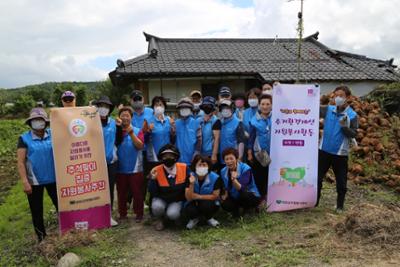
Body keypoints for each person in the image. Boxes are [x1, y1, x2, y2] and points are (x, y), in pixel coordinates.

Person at [17, 108, 58, 242]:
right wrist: (25, 181)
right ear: (30, 123)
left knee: (60, 205)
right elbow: (21, 162)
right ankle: (41, 237)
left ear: (45, 122)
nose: (38, 122)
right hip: (34, 181)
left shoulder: (53, 134)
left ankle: (67, 229)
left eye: (41, 120)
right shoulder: (24, 138)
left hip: (54, 178)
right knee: (36, 210)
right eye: (35, 120)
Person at [317, 85, 358, 212]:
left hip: (340, 154)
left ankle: (340, 205)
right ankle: (315, 201)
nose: (338, 98)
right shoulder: (328, 109)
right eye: (336, 95)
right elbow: (312, 108)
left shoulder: (352, 115)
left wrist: (345, 127)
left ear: (348, 97)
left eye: (341, 95)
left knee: (341, 182)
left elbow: (354, 134)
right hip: (324, 150)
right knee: (317, 178)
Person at [142, 96, 174, 214]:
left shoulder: (169, 120)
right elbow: (143, 140)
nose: (158, 107)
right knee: (154, 183)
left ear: (165, 107)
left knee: (168, 183)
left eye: (161, 104)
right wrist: (147, 131)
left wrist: (173, 129)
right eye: (156, 104)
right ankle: (153, 210)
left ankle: (168, 208)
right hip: (153, 158)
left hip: (167, 158)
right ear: (153, 107)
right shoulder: (148, 120)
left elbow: (173, 139)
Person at [148, 144, 191, 231]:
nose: (168, 158)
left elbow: (188, 187)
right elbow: (153, 192)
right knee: (157, 207)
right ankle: (159, 219)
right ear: (161, 157)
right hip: (161, 198)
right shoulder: (155, 170)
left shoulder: (184, 168)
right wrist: (152, 180)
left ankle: (171, 217)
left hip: (177, 200)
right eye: (165, 156)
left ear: (175, 157)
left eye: (171, 155)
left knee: (173, 214)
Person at [115, 106, 145, 222]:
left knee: (137, 192)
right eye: (123, 115)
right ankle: (122, 214)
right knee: (121, 193)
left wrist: (131, 133)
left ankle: (139, 213)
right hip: (120, 168)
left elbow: (140, 146)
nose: (125, 117)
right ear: (119, 117)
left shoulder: (138, 130)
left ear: (131, 118)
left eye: (127, 115)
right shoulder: (116, 131)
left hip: (135, 168)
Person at [93, 96, 118, 226]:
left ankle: (108, 215)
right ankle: (97, 215)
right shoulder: (90, 122)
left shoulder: (114, 123)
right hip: (95, 163)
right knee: (97, 189)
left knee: (109, 188)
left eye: (106, 106)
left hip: (110, 162)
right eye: (101, 106)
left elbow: (117, 139)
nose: (104, 109)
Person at [183, 155, 222, 229]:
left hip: (208, 202)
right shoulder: (190, 177)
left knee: (206, 205)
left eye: (204, 165)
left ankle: (209, 218)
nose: (201, 167)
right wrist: (191, 184)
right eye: (199, 165)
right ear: (195, 166)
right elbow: (188, 198)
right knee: (189, 209)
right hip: (193, 202)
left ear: (208, 166)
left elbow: (215, 196)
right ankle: (194, 219)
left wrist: (198, 196)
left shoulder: (215, 177)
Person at [220, 148, 260, 217]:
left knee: (244, 195)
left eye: (231, 158)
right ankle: (236, 210)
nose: (229, 161)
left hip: (250, 194)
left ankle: (249, 209)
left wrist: (234, 179)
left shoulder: (246, 168)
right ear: (224, 161)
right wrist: (225, 194)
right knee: (225, 204)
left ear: (236, 159)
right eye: (227, 159)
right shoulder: (223, 171)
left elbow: (242, 188)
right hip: (235, 195)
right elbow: (226, 186)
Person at [248, 94, 273, 205]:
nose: (265, 106)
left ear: (272, 105)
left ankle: (271, 197)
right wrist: (249, 152)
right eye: (263, 104)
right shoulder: (254, 120)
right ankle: (260, 199)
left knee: (272, 175)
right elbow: (251, 138)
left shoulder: (278, 118)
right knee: (260, 176)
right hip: (260, 153)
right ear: (259, 105)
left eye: (268, 104)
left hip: (275, 152)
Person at [174, 97, 202, 165]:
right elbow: (172, 140)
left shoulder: (196, 123)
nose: (184, 110)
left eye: (187, 108)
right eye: (182, 108)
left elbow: (199, 140)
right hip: (178, 160)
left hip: (192, 159)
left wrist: (196, 153)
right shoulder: (175, 123)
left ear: (191, 109)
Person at [218, 99, 246, 163]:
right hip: (222, 157)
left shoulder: (238, 122)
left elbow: (241, 142)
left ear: (232, 109)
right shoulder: (219, 122)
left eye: (227, 108)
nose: (225, 110)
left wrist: (240, 157)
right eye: (223, 108)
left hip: (233, 158)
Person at [199, 96, 221, 170]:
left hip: (210, 154)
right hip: (200, 153)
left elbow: (216, 139)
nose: (207, 107)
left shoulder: (216, 121)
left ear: (213, 107)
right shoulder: (199, 120)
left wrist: (214, 155)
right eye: (205, 105)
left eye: (209, 105)